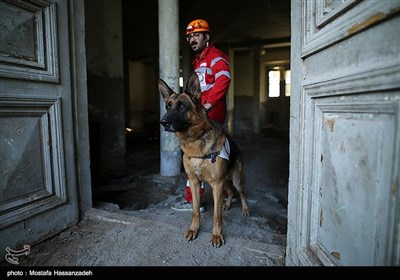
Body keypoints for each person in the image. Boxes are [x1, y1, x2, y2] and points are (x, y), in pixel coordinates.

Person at [172, 19, 237, 212]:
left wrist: (207, 105)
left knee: (202, 156)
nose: (192, 39)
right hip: (202, 114)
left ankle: (199, 199)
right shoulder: (199, 61)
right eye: (190, 36)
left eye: (196, 35)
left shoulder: (216, 56)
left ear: (206, 37)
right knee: (202, 157)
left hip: (210, 115)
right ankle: (218, 194)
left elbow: (224, 80)